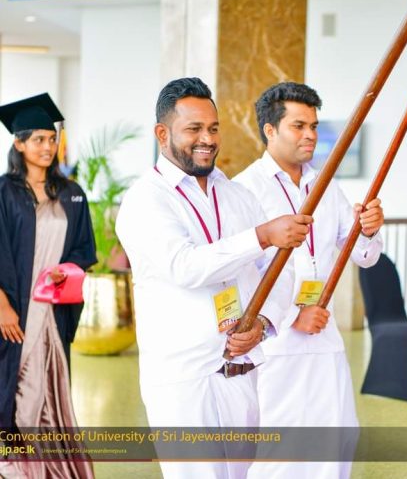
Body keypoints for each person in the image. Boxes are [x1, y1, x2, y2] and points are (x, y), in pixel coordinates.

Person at [115, 77, 313, 479]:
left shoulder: (237, 195)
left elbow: (280, 268)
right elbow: (184, 266)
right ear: (162, 134)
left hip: (240, 371)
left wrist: (263, 322)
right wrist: (261, 236)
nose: (207, 139)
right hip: (184, 379)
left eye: (213, 128)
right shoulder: (145, 200)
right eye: (194, 129)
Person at [234, 82, 384, 479]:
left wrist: (368, 229)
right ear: (270, 130)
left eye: (314, 126)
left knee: (337, 440)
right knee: (282, 452)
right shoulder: (245, 189)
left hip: (324, 338)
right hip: (275, 345)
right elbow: (239, 275)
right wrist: (291, 317)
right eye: (298, 126)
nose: (310, 135)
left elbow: (363, 255)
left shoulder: (325, 184)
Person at [0, 93, 96, 478]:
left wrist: (67, 270)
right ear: (19, 143)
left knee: (47, 387)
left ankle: (48, 467)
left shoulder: (71, 193)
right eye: (38, 139)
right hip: (13, 310)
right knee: (15, 385)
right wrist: (2, 307)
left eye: (52, 138)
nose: (48, 146)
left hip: (52, 310)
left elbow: (83, 250)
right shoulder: (3, 193)